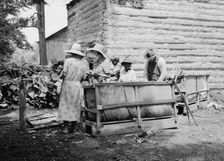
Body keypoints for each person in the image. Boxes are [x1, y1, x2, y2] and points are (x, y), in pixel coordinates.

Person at [58, 43, 88, 133]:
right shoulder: (83, 63)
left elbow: (64, 74)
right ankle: (74, 127)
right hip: (77, 85)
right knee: (76, 105)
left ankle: (66, 127)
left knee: (66, 105)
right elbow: (84, 77)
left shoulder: (68, 61)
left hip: (68, 84)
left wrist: (60, 75)